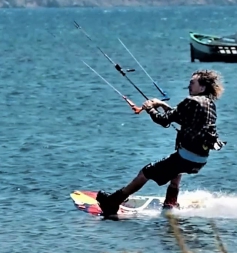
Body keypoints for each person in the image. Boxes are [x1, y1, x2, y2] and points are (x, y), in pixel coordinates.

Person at [96, 69, 226, 218]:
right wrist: (161, 105)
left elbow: (164, 120)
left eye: (192, 83)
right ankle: (170, 204)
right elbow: (181, 118)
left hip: (186, 157)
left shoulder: (191, 101)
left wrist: (150, 108)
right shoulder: (209, 104)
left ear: (202, 87)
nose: (188, 86)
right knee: (175, 172)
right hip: (200, 159)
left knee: (146, 172)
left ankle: (113, 202)